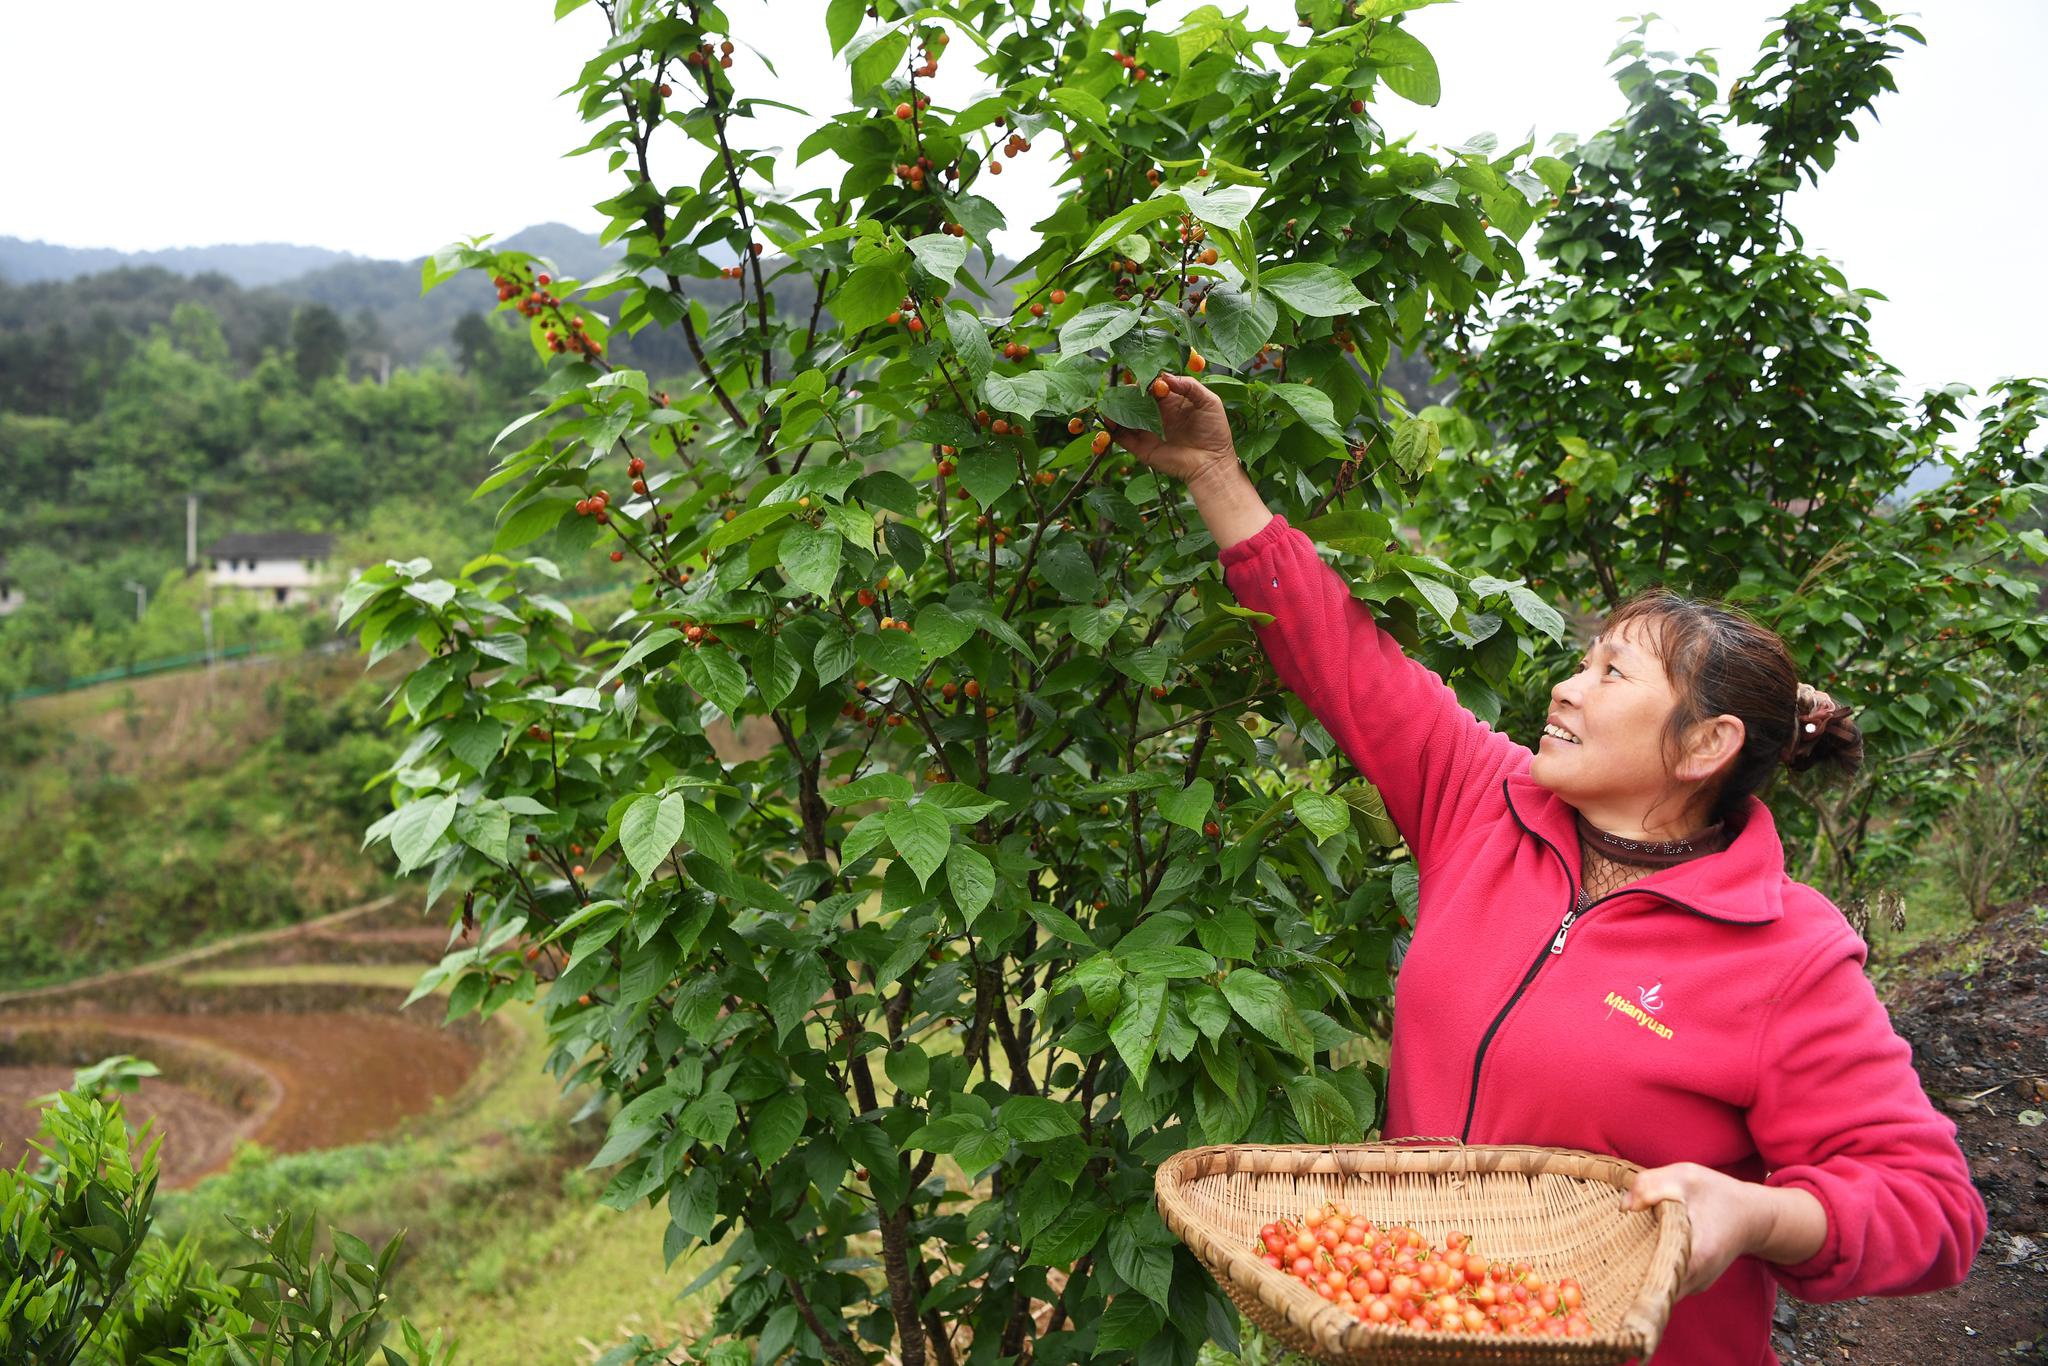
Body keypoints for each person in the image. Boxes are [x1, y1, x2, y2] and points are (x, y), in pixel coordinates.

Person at [1109, 376, 1986, 1364]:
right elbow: (1341, 659)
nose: (1565, 686)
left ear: (1702, 746)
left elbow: (1932, 1208)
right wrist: (1213, 474)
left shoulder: (1786, 955)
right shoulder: (1482, 801)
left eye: (1610, 673)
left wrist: (1746, 1213)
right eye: (1584, 659)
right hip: (1425, 1327)